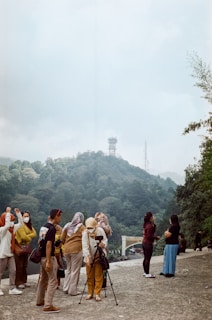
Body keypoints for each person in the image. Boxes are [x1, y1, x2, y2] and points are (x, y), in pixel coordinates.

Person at [36, 208, 62, 313]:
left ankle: (39, 300)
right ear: (56, 216)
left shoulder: (44, 227)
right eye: (60, 216)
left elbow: (40, 241)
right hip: (48, 257)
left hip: (41, 256)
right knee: (53, 280)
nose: (60, 219)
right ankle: (48, 305)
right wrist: (48, 261)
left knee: (43, 279)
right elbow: (48, 244)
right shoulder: (52, 228)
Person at [82, 217, 107, 301]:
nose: (90, 229)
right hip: (89, 256)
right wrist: (87, 258)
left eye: (91, 228)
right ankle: (90, 293)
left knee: (98, 275)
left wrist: (102, 244)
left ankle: (97, 293)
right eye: (88, 228)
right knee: (89, 275)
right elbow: (84, 246)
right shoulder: (85, 233)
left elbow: (105, 240)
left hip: (99, 255)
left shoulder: (100, 230)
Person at [0, 207, 23, 295]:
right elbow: (6, 225)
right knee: (0, 272)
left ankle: (12, 288)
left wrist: (18, 214)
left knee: (13, 271)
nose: (12, 222)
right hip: (2, 254)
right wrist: (8, 213)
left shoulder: (12, 229)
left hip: (10, 253)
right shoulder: (2, 230)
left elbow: (21, 223)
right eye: (11, 220)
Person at [61, 212, 85, 295]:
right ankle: (72, 290)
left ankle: (66, 288)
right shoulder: (82, 227)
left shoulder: (67, 226)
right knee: (75, 270)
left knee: (69, 269)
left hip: (66, 249)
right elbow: (85, 239)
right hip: (76, 250)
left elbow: (62, 238)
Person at [14, 210, 37, 289]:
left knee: (24, 265)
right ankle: (18, 282)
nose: (26, 218)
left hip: (26, 247)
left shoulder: (29, 225)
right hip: (19, 246)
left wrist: (27, 236)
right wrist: (29, 237)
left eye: (27, 216)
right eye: (25, 216)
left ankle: (24, 281)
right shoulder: (20, 225)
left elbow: (35, 233)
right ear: (21, 217)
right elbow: (23, 237)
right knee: (19, 265)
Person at [142, 211, 160, 278]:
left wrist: (154, 224)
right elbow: (149, 236)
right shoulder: (150, 226)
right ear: (150, 218)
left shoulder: (146, 225)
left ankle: (145, 272)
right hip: (148, 243)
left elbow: (151, 232)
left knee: (145, 258)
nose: (154, 217)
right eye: (153, 216)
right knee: (148, 259)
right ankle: (147, 273)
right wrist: (156, 237)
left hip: (144, 243)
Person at [54, 224, 64, 289]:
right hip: (57, 253)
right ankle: (57, 283)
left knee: (55, 268)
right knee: (57, 268)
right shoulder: (61, 232)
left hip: (56, 253)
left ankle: (56, 283)